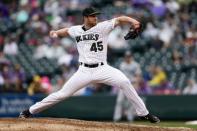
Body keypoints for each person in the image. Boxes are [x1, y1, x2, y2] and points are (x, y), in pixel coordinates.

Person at [19, 7, 160, 123]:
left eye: (96, 16)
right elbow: (66, 30)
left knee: (124, 81)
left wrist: (134, 21)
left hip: (102, 68)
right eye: (93, 16)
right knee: (62, 94)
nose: (96, 18)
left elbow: (120, 19)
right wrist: (56, 33)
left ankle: (144, 113)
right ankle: (29, 111)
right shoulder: (76, 30)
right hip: (84, 71)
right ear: (85, 17)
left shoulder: (102, 27)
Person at [113, 51, 142, 122]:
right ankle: (117, 118)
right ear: (125, 57)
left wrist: (137, 84)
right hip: (123, 84)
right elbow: (119, 75)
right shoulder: (122, 64)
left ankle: (130, 118)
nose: (128, 58)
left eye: (129, 56)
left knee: (131, 102)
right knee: (119, 101)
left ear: (131, 57)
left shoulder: (135, 64)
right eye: (126, 56)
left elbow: (138, 75)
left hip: (132, 83)